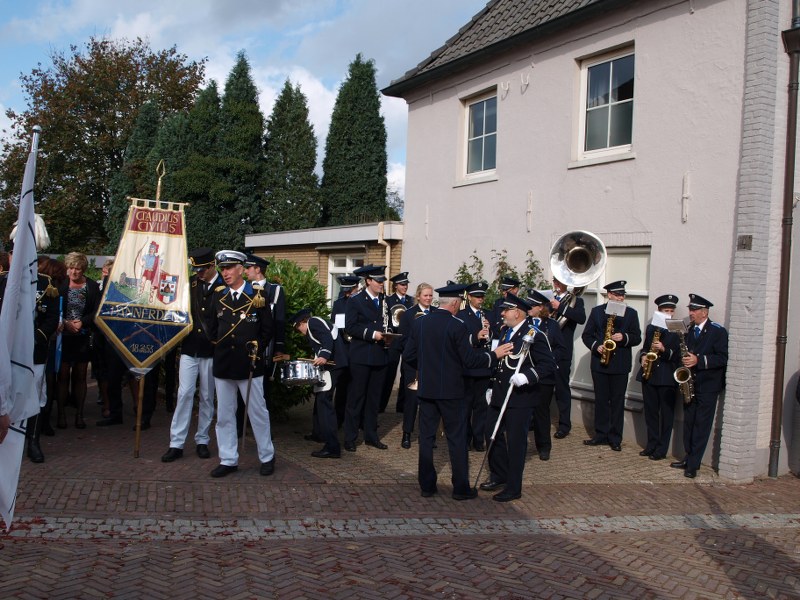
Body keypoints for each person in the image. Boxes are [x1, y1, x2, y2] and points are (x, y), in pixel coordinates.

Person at [403, 282, 513, 500]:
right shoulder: (457, 325)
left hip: (426, 389)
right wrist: (494, 355)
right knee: (456, 439)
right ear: (455, 303)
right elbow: (470, 360)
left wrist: (427, 368)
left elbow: (408, 356)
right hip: (452, 392)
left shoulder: (421, 323)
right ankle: (460, 488)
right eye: (459, 303)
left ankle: (426, 486)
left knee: (426, 438)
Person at [479, 293, 556, 502]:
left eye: (506, 310)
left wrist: (527, 376)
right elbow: (501, 362)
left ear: (517, 312)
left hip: (520, 398)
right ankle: (499, 473)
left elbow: (549, 365)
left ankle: (514, 486)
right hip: (500, 394)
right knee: (490, 432)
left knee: (516, 442)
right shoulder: (505, 331)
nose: (502, 313)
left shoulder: (534, 334)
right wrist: (491, 386)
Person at [209, 250, 276, 478]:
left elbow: (268, 329)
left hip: (249, 364)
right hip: (224, 364)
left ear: (241, 269)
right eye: (222, 269)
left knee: (258, 412)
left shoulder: (258, 295)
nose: (225, 273)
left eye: (229, 268)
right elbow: (211, 328)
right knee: (225, 415)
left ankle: (267, 456)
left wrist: (257, 345)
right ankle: (228, 459)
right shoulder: (218, 296)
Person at [0, 245, 59, 462]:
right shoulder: (2, 281)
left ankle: (33, 441)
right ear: (9, 257)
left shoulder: (45, 283)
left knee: (33, 394)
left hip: (34, 351)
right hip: (4, 351)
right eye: (15, 254)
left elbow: (52, 317)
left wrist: (33, 337)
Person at [161, 248, 219, 463]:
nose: (199, 273)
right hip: (190, 348)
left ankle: (202, 439)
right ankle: (176, 442)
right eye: (196, 269)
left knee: (206, 396)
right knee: (184, 394)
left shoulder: (222, 288)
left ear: (212, 266)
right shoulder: (190, 285)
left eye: (202, 269)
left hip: (211, 350)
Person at [670, 294, 728, 478]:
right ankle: (688, 457)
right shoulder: (688, 330)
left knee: (701, 425)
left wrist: (699, 360)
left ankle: (694, 464)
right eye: (690, 309)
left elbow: (722, 358)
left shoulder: (718, 332)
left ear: (704, 312)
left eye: (694, 310)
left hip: (707, 386)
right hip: (690, 383)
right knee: (689, 423)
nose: (690, 313)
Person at [581, 280, 641, 451]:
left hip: (620, 365)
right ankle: (600, 435)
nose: (621, 298)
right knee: (600, 400)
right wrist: (596, 346)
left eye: (622, 295)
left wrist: (624, 337)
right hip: (599, 364)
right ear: (609, 295)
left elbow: (637, 337)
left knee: (617, 402)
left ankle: (615, 438)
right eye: (617, 295)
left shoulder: (631, 313)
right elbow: (587, 335)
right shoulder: (597, 312)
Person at [343, 264, 391, 452]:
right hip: (362, 355)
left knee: (374, 400)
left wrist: (388, 337)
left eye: (382, 281)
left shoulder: (384, 300)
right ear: (368, 281)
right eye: (378, 281)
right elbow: (350, 327)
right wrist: (372, 334)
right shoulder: (355, 300)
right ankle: (350, 437)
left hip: (380, 355)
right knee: (356, 398)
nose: (381, 284)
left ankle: (371, 436)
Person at [290, 308, 348, 458]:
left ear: (302, 322)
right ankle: (319, 433)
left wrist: (324, 355)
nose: (299, 331)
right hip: (331, 366)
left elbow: (327, 338)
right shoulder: (314, 324)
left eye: (298, 327)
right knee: (319, 399)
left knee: (324, 402)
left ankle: (332, 447)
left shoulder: (313, 322)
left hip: (333, 366)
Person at [57, 252, 101, 429]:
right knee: (63, 376)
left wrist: (83, 321)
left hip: (82, 335)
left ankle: (79, 414)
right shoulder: (60, 284)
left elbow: (97, 311)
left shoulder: (91, 286)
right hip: (64, 336)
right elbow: (55, 307)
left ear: (83, 269)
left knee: (80, 376)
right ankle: (61, 414)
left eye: (78, 268)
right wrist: (65, 323)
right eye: (71, 268)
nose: (74, 272)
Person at [636, 294, 681, 461]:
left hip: (667, 378)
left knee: (666, 415)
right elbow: (645, 348)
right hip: (651, 375)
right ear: (659, 311)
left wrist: (664, 349)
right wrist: (643, 356)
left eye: (671, 311)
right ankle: (651, 444)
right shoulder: (651, 328)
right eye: (665, 311)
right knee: (651, 413)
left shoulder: (679, 329)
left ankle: (662, 449)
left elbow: (679, 355)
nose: (668, 314)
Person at [525, 289, 566, 462]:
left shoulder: (551, 325)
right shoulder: (525, 324)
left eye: (532, 305)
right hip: (526, 374)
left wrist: (548, 361)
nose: (528, 308)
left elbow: (560, 348)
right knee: (524, 411)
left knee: (542, 412)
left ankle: (544, 446)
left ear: (540, 307)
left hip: (544, 376)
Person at [549, 276, 587, 438]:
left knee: (561, 388)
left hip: (562, 351)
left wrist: (561, 308)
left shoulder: (576, 301)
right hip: (545, 349)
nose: (556, 285)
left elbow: (581, 318)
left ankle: (564, 425)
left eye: (559, 282)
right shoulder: (548, 299)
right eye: (555, 281)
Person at [398, 282, 434, 449]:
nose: (428, 298)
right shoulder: (408, 315)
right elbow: (404, 340)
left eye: (430, 295)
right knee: (411, 401)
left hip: (431, 365)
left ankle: (426, 435)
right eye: (425, 295)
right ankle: (407, 433)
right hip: (413, 364)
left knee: (429, 401)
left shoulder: (435, 313)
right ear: (418, 296)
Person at [457, 281, 492, 452]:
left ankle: (479, 439)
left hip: (484, 365)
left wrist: (490, 332)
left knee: (481, 406)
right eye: (477, 296)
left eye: (482, 296)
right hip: (469, 367)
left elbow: (496, 338)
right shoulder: (462, 315)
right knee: (465, 406)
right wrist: (476, 336)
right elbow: (460, 340)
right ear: (469, 297)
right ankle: (465, 438)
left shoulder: (488, 315)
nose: (480, 299)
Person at [381, 272, 412, 413]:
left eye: (406, 284)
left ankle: (402, 406)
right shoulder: (388, 300)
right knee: (389, 373)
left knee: (406, 373)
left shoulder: (411, 301)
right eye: (402, 284)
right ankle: (381, 405)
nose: (405, 287)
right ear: (396, 286)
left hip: (406, 340)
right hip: (393, 339)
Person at [331, 275, 359, 428]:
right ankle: (339, 418)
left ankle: (355, 419)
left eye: (351, 290)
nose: (348, 294)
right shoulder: (339, 303)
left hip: (356, 345)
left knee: (356, 386)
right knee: (342, 386)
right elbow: (334, 323)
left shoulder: (359, 302)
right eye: (346, 292)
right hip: (344, 347)